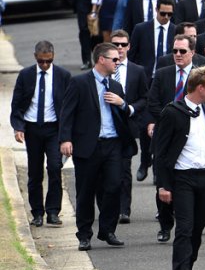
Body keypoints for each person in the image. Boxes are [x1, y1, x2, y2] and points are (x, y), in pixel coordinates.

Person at [151, 67, 205, 270]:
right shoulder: (172, 112)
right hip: (182, 178)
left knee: (198, 228)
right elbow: (161, 152)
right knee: (184, 229)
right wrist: (163, 186)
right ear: (199, 88)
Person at [59, 43, 134, 251]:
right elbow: (67, 113)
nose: (117, 63)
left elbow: (125, 116)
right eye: (114, 59)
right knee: (85, 191)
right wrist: (65, 139)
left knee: (113, 186)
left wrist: (121, 103)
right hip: (88, 146)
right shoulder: (79, 83)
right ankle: (84, 234)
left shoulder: (116, 87)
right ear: (102, 59)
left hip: (113, 145)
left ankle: (107, 230)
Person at [11, 41, 72, 227]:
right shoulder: (26, 75)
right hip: (32, 129)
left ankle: (53, 211)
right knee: (34, 172)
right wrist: (18, 127)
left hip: (54, 129)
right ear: (35, 57)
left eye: (48, 61)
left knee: (54, 167)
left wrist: (67, 135)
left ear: (53, 57)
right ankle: (37, 212)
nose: (44, 65)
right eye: (41, 61)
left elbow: (69, 107)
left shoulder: (63, 76)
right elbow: (17, 103)